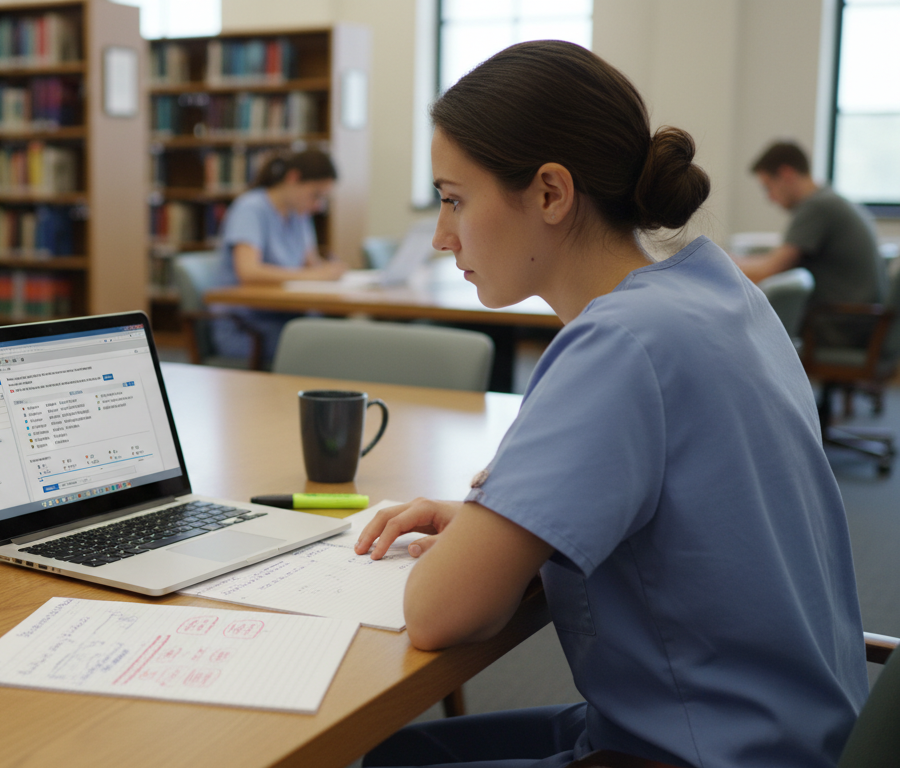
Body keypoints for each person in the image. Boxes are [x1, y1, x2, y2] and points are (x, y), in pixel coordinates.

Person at [355, 41, 866, 768]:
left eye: (454, 199)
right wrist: (495, 524)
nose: (442, 237)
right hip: (801, 725)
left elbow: (438, 613)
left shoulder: (619, 345)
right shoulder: (718, 292)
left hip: (712, 749)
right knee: (405, 754)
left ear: (551, 193)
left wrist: (487, 534)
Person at [735, 140, 886, 346]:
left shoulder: (816, 207)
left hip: (841, 326)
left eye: (768, 187)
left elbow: (769, 270)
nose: (769, 198)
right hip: (862, 323)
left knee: (742, 331)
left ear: (786, 174)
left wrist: (719, 264)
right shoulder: (829, 200)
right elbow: (775, 261)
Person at [211, 149, 346, 363]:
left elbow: (312, 265)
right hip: (248, 327)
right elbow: (248, 272)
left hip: (288, 318)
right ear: (293, 178)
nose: (318, 205)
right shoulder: (251, 209)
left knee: (342, 341)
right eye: (315, 195)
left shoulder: (299, 214)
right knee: (328, 352)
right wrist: (317, 275)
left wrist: (331, 270)